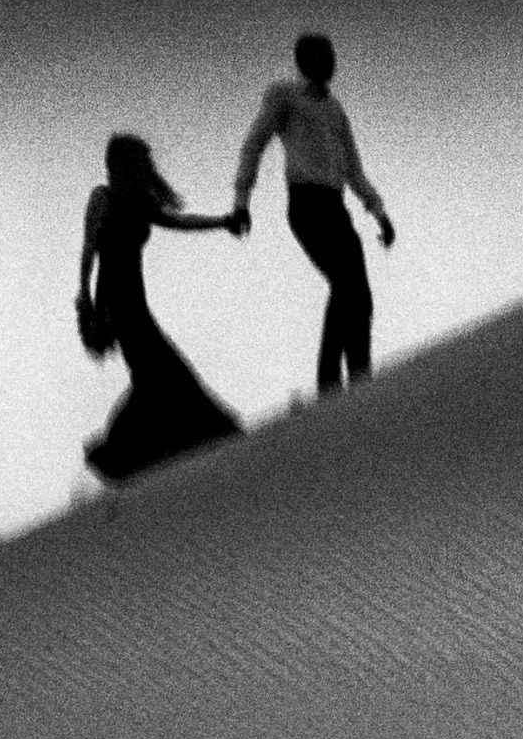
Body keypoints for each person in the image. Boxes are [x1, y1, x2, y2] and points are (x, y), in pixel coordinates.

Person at [227, 32, 395, 398]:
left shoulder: (336, 111)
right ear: (303, 62)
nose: (329, 62)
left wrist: (379, 212)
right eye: (320, 55)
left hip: (336, 206)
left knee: (357, 293)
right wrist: (242, 201)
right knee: (348, 282)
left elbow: (353, 168)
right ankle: (332, 385)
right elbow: (254, 143)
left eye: (331, 54)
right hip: (306, 205)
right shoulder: (284, 95)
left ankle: (359, 379)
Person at [77, 133, 243, 484]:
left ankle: (121, 453)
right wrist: (86, 302)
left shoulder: (140, 202)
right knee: (160, 369)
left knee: (154, 375)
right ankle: (126, 452)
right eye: (137, 161)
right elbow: (89, 248)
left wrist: (222, 222)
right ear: (119, 165)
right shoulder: (102, 198)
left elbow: (179, 222)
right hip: (114, 304)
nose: (144, 168)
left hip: (135, 302)